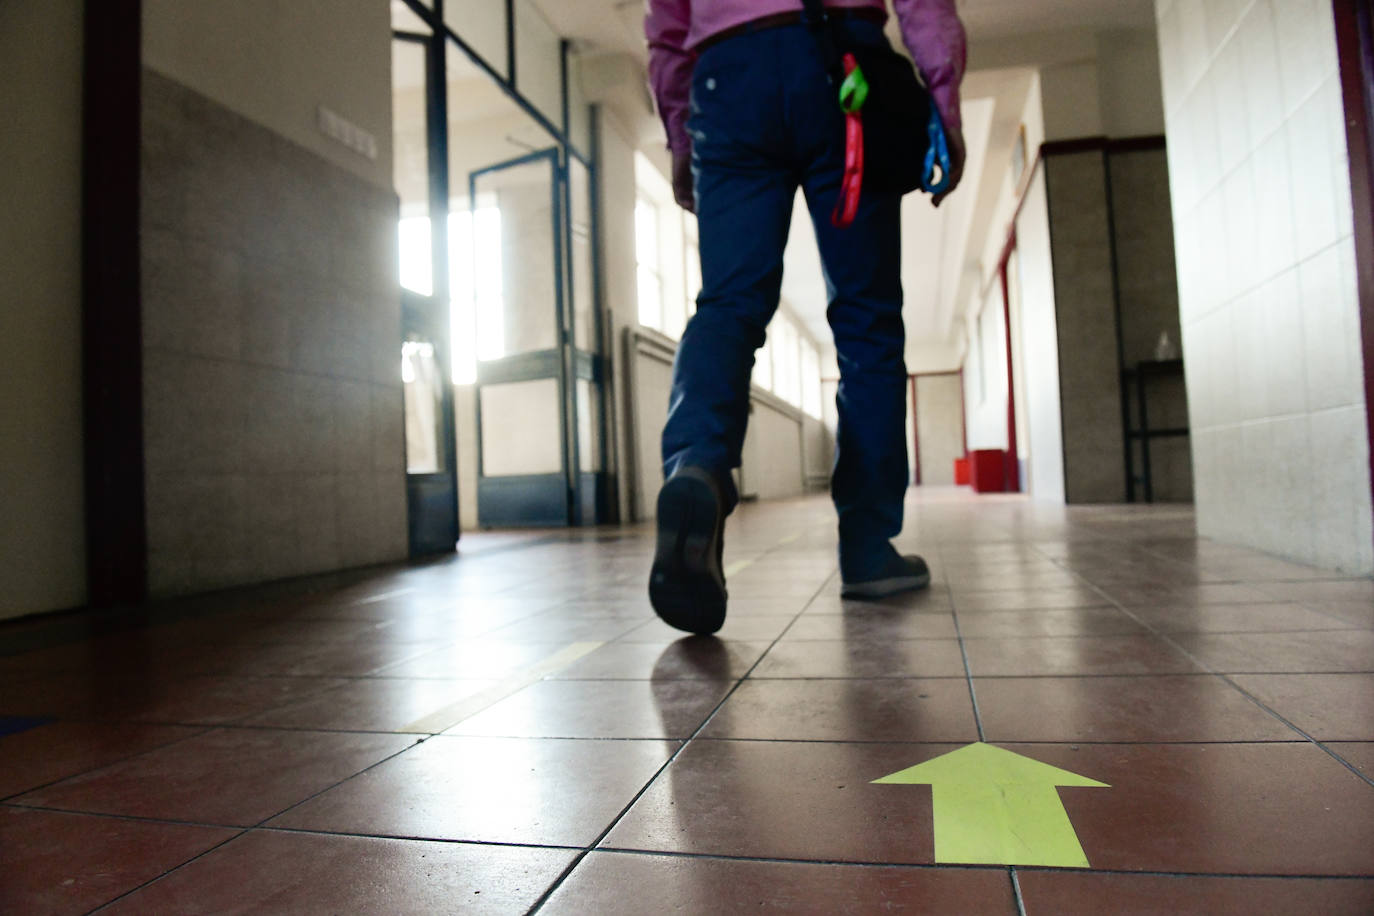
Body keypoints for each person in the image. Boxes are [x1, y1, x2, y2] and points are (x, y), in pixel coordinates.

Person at [645, 0, 968, 635]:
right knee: (865, 319)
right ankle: (869, 549)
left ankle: (697, 465)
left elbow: (667, 28)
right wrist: (944, 103)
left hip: (726, 80)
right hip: (842, 70)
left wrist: (681, 135)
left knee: (727, 303)